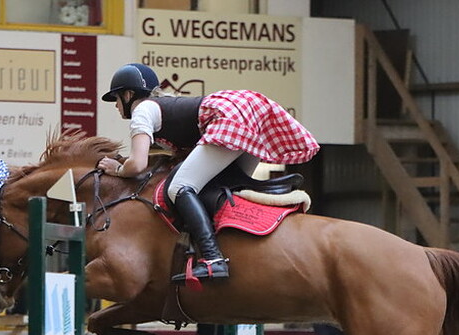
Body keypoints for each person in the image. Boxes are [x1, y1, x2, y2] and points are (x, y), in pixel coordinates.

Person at [96, 63, 319, 284]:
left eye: (116, 99)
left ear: (128, 94)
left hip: (230, 118)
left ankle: (213, 259)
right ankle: (242, 234)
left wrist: (117, 169)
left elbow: (137, 164)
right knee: (225, 188)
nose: (116, 106)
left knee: (178, 188)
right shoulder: (165, 109)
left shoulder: (142, 110)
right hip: (246, 113)